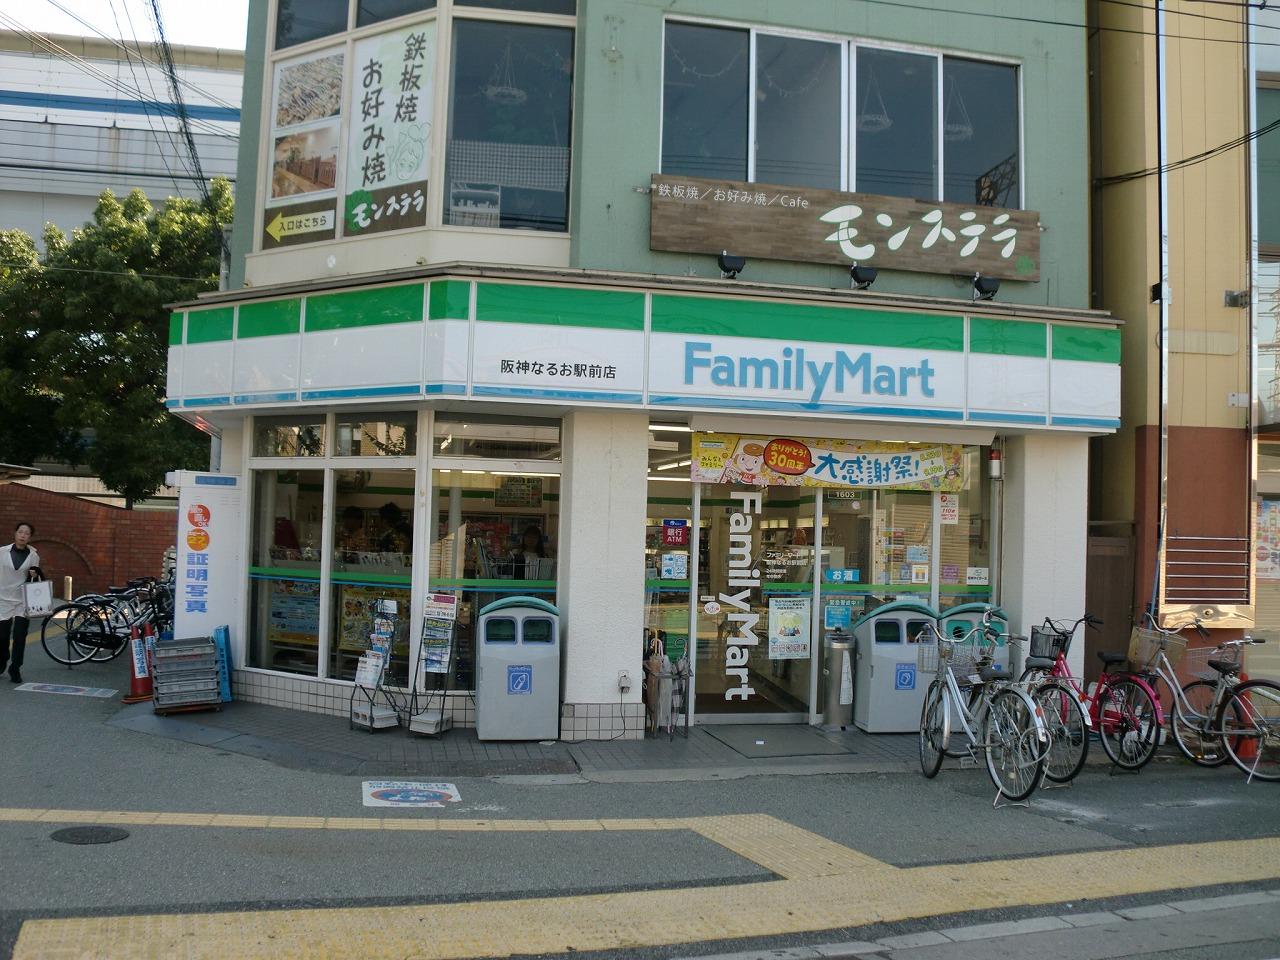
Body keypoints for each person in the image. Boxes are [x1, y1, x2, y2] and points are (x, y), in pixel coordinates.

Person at [0, 521, 41, 683]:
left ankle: (15, 668)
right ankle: (2, 658)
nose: (23, 535)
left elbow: (35, 580)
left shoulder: (33, 556)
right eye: (20, 532)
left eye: (27, 533)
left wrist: (34, 574)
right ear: (15, 533)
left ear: (30, 537)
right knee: (2, 636)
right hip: (2, 598)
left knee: (20, 636)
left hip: (23, 600)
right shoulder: (2, 552)